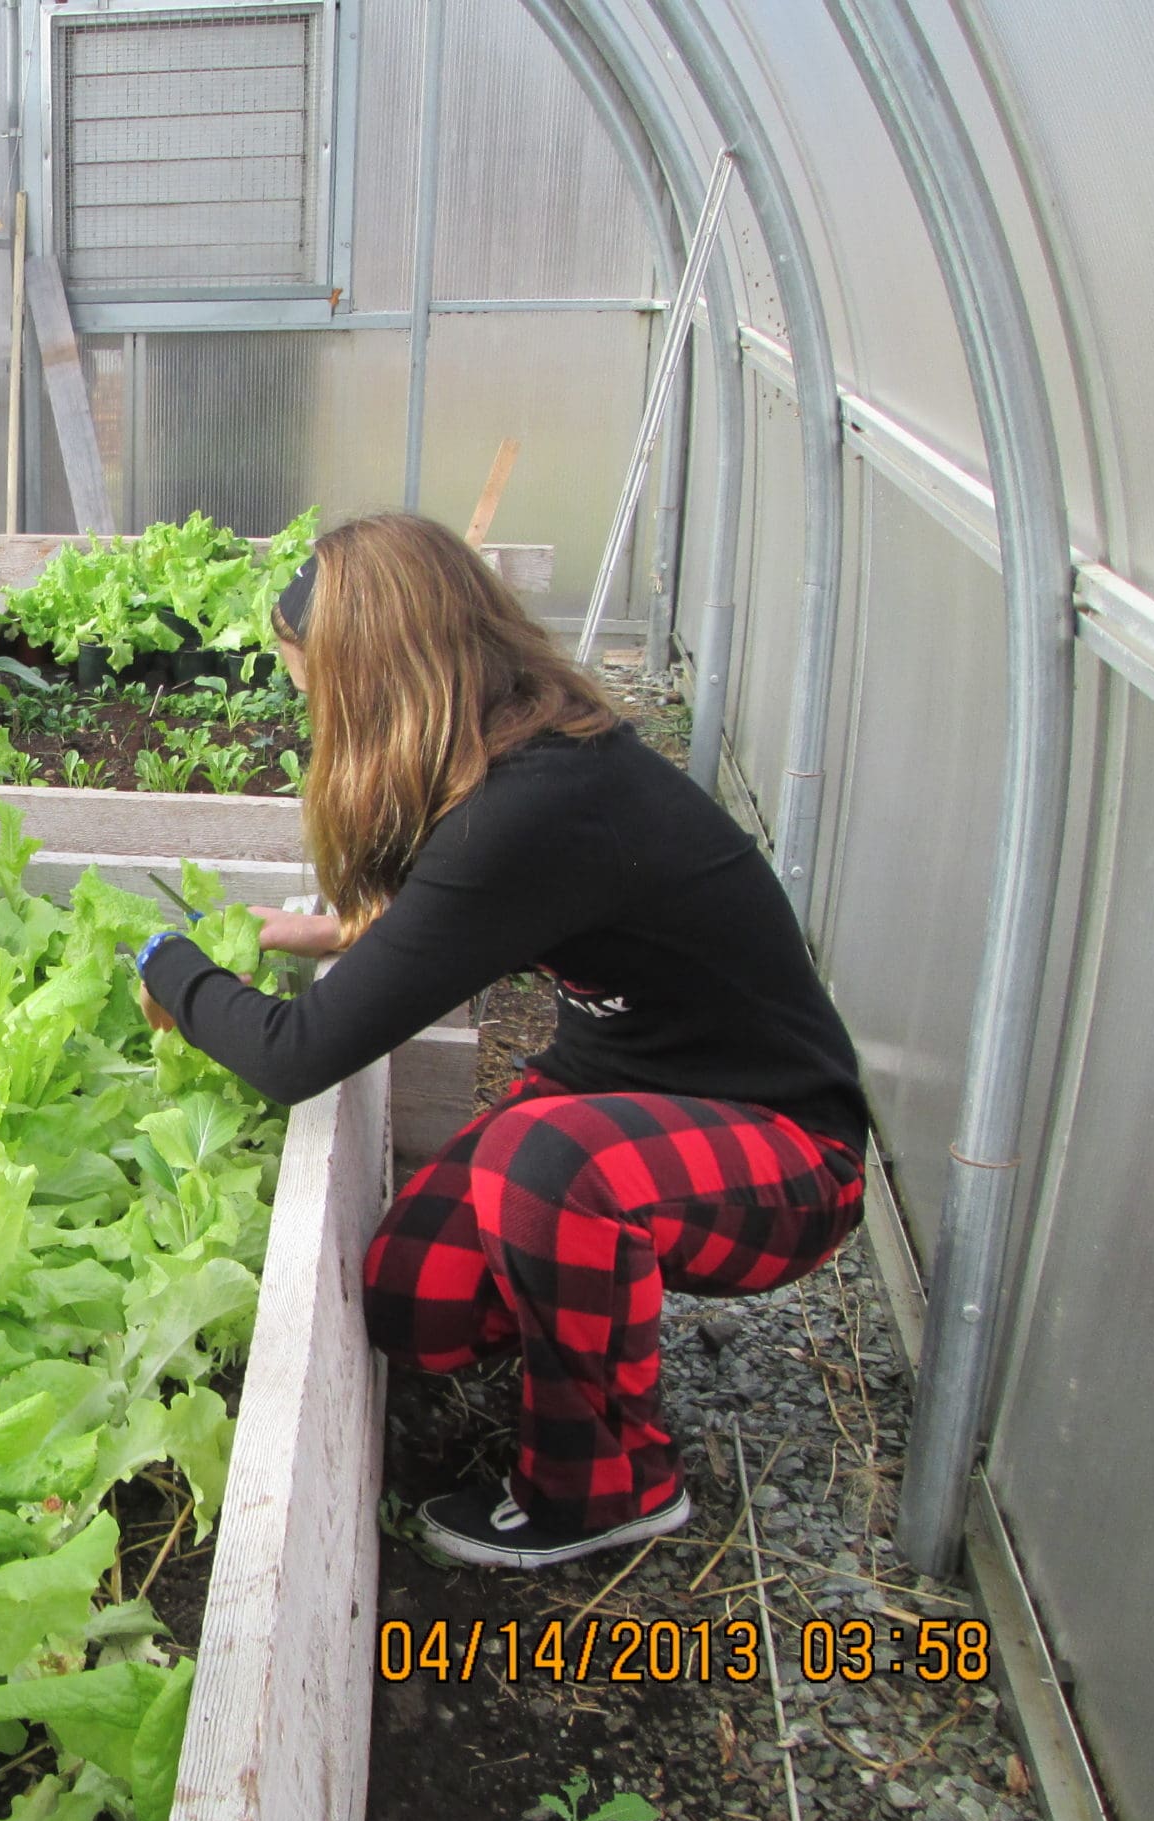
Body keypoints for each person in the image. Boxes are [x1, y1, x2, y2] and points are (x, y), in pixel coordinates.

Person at [132, 513, 867, 1571]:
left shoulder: (542, 805)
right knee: (411, 1300)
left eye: (316, 697)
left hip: (785, 1150)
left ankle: (607, 1490)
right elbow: (475, 907)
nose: (311, 724)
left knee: (550, 1169)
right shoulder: (521, 759)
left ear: (375, 682)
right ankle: (584, 1318)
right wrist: (336, 930)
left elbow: (297, 1055)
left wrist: (168, 965)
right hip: (622, 1097)